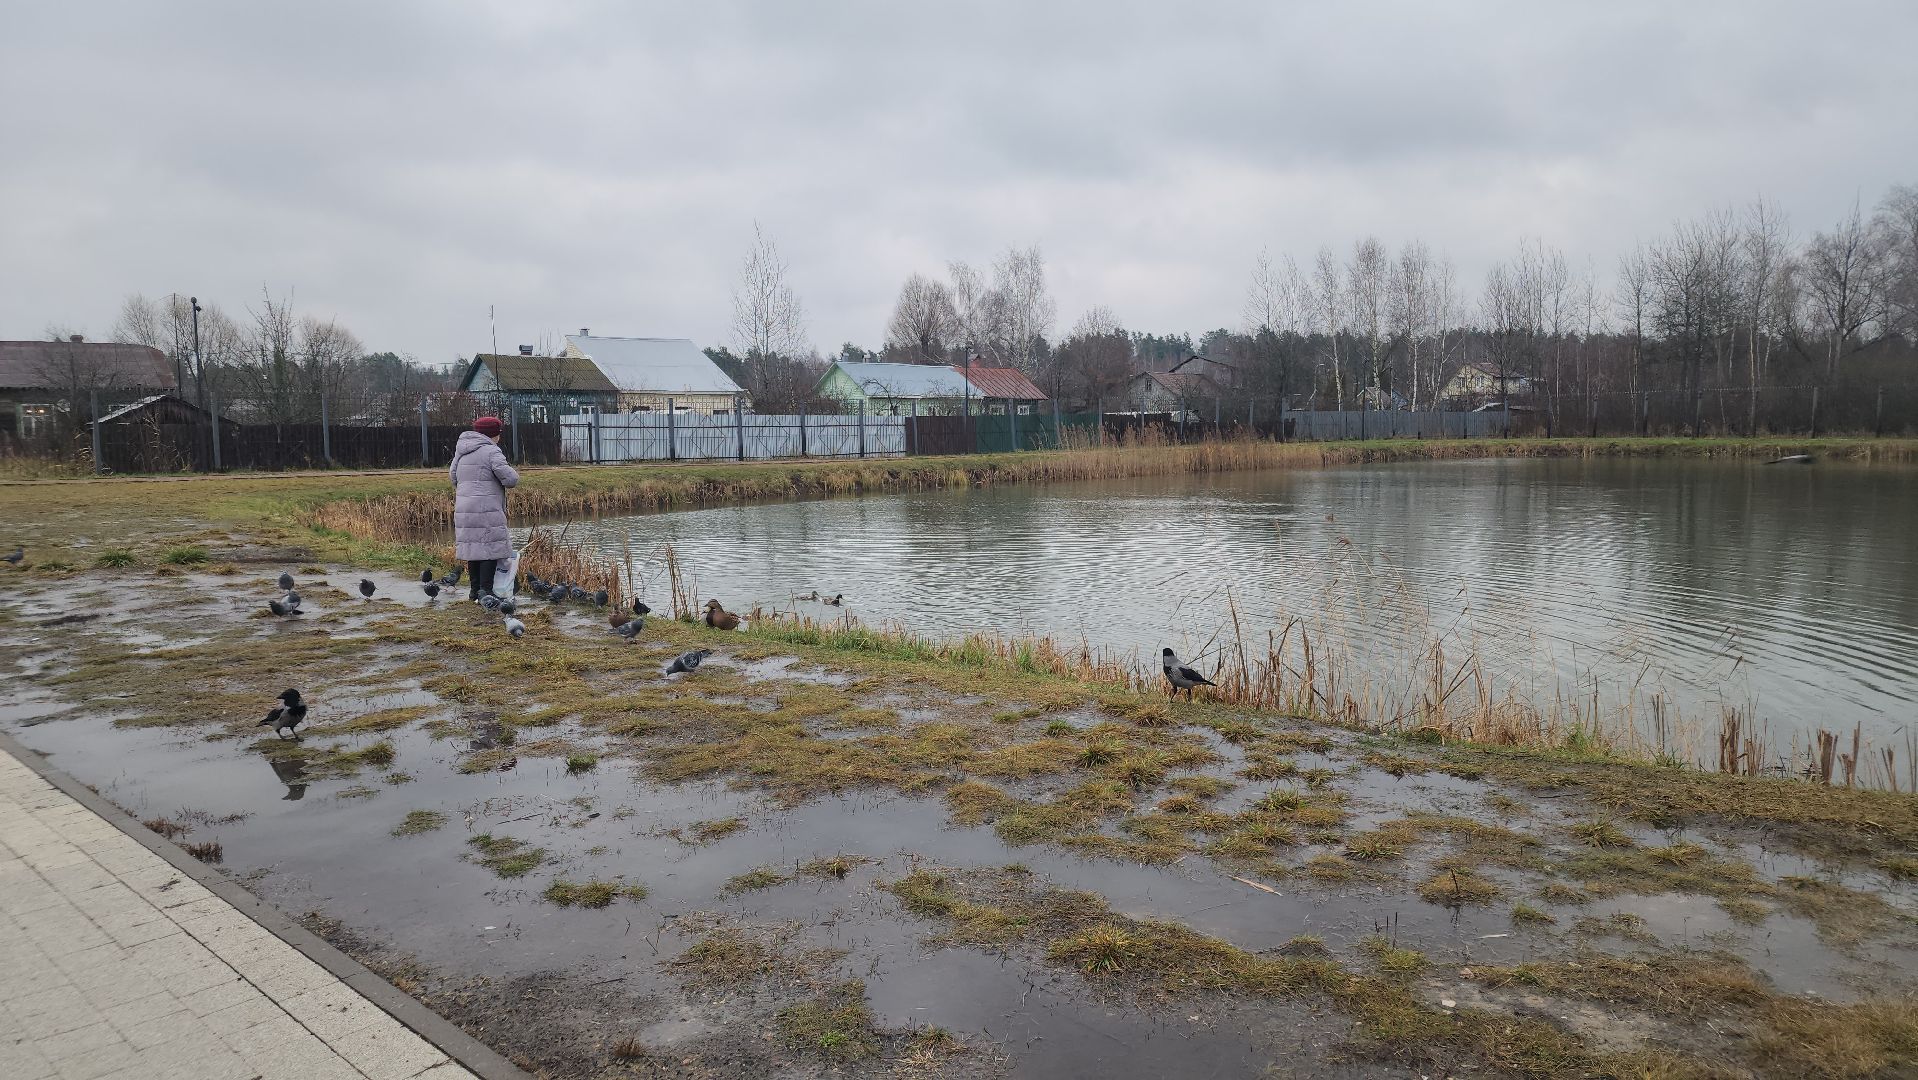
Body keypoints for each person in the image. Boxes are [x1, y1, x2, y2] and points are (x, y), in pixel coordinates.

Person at [450, 417, 519, 600]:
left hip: (464, 507)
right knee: (489, 549)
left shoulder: (462, 450)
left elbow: (453, 477)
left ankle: (474, 591)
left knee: (473, 550)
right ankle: (487, 592)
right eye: (499, 433)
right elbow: (510, 480)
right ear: (493, 434)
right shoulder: (491, 451)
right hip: (485, 508)